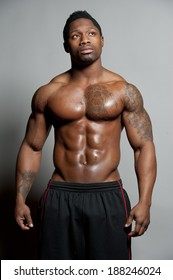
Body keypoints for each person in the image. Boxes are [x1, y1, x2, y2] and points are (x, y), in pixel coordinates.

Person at [14, 10, 157, 260]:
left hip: (107, 195)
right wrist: (19, 197)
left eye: (91, 34)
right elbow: (32, 146)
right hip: (60, 195)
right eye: (75, 35)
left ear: (102, 40)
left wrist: (145, 202)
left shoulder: (124, 90)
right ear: (66, 45)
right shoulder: (48, 93)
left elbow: (143, 146)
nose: (84, 40)